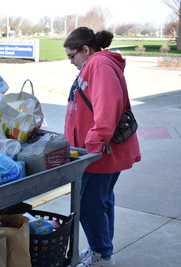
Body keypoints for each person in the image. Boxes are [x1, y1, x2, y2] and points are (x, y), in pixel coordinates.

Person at [63, 27, 141, 267]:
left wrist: (92, 148)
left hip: (99, 154)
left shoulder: (100, 65)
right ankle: (101, 250)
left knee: (89, 206)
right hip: (95, 152)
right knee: (101, 202)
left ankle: (102, 256)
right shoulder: (95, 65)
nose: (71, 62)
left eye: (72, 56)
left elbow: (108, 109)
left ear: (85, 50)